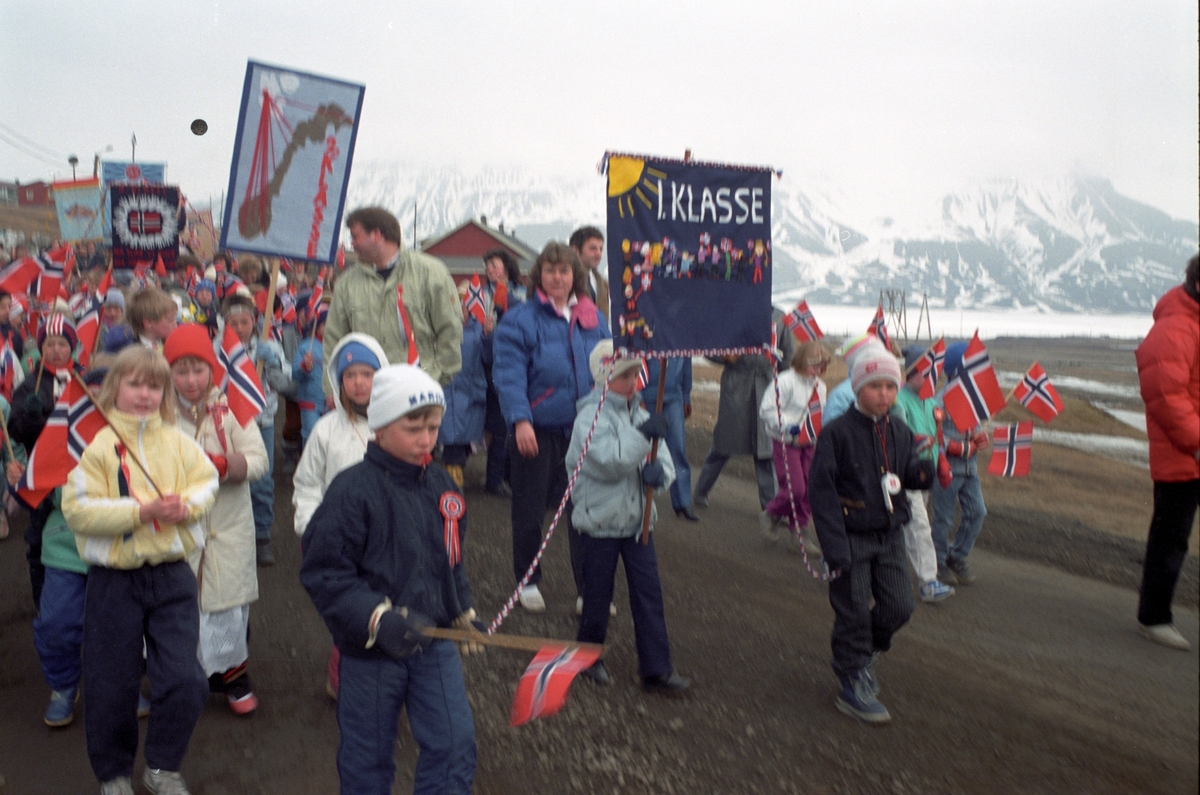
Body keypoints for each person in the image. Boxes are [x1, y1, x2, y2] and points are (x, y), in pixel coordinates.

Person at [300, 364, 477, 794]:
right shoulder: (351, 491)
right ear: (379, 427)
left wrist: (461, 609)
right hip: (370, 653)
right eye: (413, 427)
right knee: (368, 759)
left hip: (433, 644)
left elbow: (449, 559)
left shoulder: (441, 485)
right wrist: (376, 618)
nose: (427, 439)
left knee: (455, 743)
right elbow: (324, 572)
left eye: (434, 427)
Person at [61, 345, 220, 795]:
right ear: (116, 387)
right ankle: (113, 773)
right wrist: (141, 510)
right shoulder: (93, 445)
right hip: (115, 579)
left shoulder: (177, 440)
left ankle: (162, 766)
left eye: (154, 385)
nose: (145, 394)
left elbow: (206, 482)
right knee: (111, 682)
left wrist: (184, 507)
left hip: (172, 575)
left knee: (187, 680)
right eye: (135, 384)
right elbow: (77, 510)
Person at [809, 345, 935, 724]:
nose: (884, 395)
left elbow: (908, 473)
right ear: (857, 385)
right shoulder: (836, 434)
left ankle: (863, 655)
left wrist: (928, 470)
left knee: (900, 606)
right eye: (875, 386)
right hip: (849, 538)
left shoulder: (898, 429)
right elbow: (822, 492)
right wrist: (834, 548)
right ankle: (851, 678)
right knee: (852, 611)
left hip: (889, 535)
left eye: (890, 386)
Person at [493, 241, 610, 613]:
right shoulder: (520, 319)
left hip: (582, 427)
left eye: (564, 271)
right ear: (538, 276)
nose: (557, 277)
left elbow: (607, 368)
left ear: (575, 275)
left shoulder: (594, 318)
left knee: (584, 511)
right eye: (550, 270)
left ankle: (589, 587)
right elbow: (509, 374)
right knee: (529, 510)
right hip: (537, 429)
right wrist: (521, 420)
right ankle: (528, 579)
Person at [571, 341, 690, 693]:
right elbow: (609, 462)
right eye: (625, 374)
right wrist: (643, 437)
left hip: (638, 521)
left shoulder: (641, 414)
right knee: (597, 595)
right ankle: (588, 657)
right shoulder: (588, 418)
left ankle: (656, 668)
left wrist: (661, 476)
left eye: (636, 372)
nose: (634, 379)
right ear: (604, 375)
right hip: (600, 520)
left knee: (648, 593)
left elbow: (663, 459)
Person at [165, 324, 269, 714]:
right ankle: (182, 678)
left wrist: (224, 465)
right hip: (183, 528)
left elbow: (259, 461)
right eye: (181, 371)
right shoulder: (160, 413)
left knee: (229, 605)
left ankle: (235, 679)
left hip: (228, 526)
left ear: (212, 369)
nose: (191, 381)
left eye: (199, 370)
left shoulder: (230, 411)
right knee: (181, 605)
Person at [293, 332, 388, 700]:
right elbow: (308, 484)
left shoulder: (393, 428)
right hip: (337, 540)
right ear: (339, 381)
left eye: (367, 374)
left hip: (381, 540)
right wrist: (312, 527)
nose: (359, 383)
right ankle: (342, 681)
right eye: (351, 375)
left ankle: (377, 681)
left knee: (380, 611)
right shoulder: (326, 430)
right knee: (348, 616)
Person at [323, 207, 462, 402]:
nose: (351, 244)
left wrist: (436, 378)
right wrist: (332, 389)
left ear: (377, 234)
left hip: (419, 395)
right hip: (366, 400)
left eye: (355, 236)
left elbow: (450, 331)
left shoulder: (431, 273)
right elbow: (334, 340)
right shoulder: (347, 284)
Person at [1134, 253, 1200, 651]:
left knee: (1171, 537)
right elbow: (1165, 395)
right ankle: (1154, 617)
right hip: (1183, 456)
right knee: (1170, 538)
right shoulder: (1177, 325)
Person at [8, 313, 79, 608]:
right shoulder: (30, 386)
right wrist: (30, 416)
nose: (56, 350)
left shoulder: (83, 379)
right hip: (43, 472)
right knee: (38, 539)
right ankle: (42, 600)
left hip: (77, 472)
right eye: (50, 344)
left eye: (62, 343)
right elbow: (15, 430)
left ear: (71, 347)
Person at [694, 310, 793, 510]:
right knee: (723, 444)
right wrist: (724, 357)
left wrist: (785, 388)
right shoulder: (731, 312)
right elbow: (707, 346)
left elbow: (786, 357)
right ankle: (701, 491)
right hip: (736, 385)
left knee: (765, 450)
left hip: (766, 387)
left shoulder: (780, 318)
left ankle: (770, 507)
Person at [221, 293, 290, 566]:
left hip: (262, 422)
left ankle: (261, 537)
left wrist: (272, 363)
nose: (239, 328)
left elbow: (285, 384)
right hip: (230, 425)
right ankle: (234, 537)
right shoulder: (219, 349)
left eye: (244, 322)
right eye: (233, 323)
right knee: (232, 480)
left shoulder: (269, 346)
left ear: (255, 321)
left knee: (261, 481)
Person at [894, 345, 955, 603]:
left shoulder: (930, 402)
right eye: (925, 372)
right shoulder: (898, 401)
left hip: (924, 474)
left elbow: (937, 436)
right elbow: (897, 438)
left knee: (902, 525)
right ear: (910, 373)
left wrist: (941, 460)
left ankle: (883, 567)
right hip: (905, 474)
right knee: (918, 525)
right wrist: (915, 442)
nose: (932, 377)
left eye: (934, 372)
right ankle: (928, 582)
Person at [929, 342, 990, 586]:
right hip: (946, 469)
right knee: (943, 518)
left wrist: (979, 438)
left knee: (978, 512)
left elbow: (973, 430)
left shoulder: (973, 399)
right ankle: (938, 562)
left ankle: (956, 555)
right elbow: (932, 435)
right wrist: (958, 447)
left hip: (969, 469)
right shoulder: (940, 400)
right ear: (959, 368)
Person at [758, 341, 829, 551]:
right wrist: (788, 425)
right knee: (795, 489)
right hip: (785, 442)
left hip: (808, 443)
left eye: (822, 366)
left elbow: (818, 414)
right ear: (801, 361)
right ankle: (771, 513)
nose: (818, 371)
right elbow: (767, 410)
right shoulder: (784, 381)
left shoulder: (820, 387)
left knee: (809, 490)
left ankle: (800, 533)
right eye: (814, 365)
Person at [480, 249, 525, 496]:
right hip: (490, 365)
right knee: (498, 425)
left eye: (494, 265)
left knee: (513, 423)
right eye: (488, 266)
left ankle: (510, 475)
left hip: (516, 363)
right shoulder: (484, 296)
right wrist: (486, 332)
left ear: (507, 267)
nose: (490, 270)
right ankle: (494, 479)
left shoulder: (521, 295)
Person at [439, 292, 487, 488]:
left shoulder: (480, 330)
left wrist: (489, 336)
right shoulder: (439, 329)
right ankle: (452, 479)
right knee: (451, 437)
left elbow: (490, 357)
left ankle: (456, 474)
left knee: (463, 438)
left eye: (462, 304)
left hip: (471, 391)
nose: (459, 309)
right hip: (447, 390)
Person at [641, 355, 697, 521]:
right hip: (648, 395)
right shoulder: (644, 329)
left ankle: (683, 501)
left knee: (677, 448)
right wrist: (639, 396)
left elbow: (686, 363)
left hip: (674, 396)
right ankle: (640, 500)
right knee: (643, 448)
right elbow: (638, 362)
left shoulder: (681, 332)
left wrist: (686, 395)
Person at [293, 303, 328, 446]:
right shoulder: (306, 346)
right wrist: (304, 367)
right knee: (311, 439)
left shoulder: (336, 346)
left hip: (331, 403)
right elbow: (295, 374)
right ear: (318, 326)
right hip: (310, 402)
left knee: (328, 439)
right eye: (326, 324)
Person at [569, 226, 608, 316]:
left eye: (601, 249)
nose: (599, 254)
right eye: (593, 248)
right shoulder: (563, 282)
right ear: (575, 250)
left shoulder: (604, 286)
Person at [0, 289, 26, 360]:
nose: (8, 311)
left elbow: (18, 359)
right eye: (2, 307)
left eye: (9, 306)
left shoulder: (14, 335)